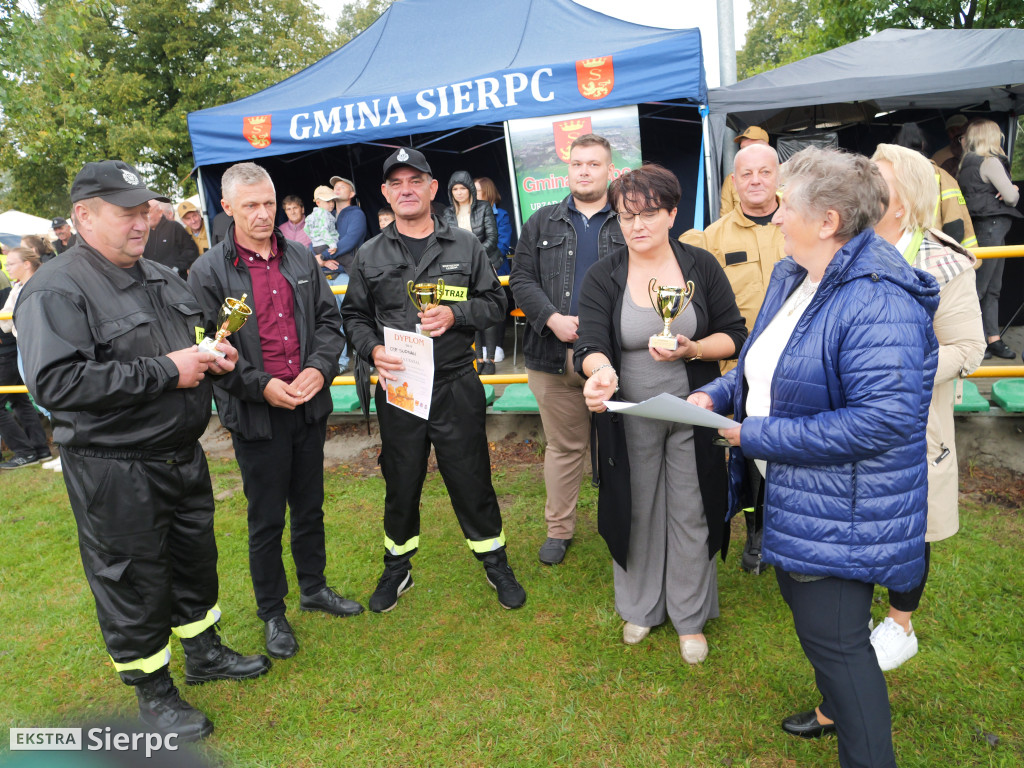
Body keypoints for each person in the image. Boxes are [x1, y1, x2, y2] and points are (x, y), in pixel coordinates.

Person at [691, 147, 939, 767]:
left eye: (786, 206)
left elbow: (882, 420)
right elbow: (768, 362)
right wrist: (719, 392)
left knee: (839, 645)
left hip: (845, 509)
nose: (774, 216)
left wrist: (757, 436)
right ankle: (834, 709)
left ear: (828, 221)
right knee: (820, 632)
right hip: (802, 495)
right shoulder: (797, 274)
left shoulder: (877, 299)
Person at [16, 160, 271, 742]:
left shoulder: (160, 275)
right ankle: (154, 695)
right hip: (114, 467)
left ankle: (204, 652)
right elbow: (56, 384)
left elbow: (191, 342)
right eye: (125, 213)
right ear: (83, 217)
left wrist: (213, 357)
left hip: (180, 452)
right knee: (131, 579)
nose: (141, 222)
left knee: (193, 561)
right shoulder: (56, 288)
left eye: (144, 211)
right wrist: (167, 371)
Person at [188, 162, 363, 661]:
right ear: (227, 207)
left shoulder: (301, 256)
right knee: (266, 519)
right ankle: (272, 612)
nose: (263, 214)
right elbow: (208, 349)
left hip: (308, 405)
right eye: (251, 206)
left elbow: (328, 323)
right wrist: (260, 386)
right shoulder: (207, 272)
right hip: (256, 414)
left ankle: (314, 587)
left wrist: (319, 369)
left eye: (268, 203)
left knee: (310, 506)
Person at [342, 146, 525, 612]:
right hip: (400, 386)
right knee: (401, 480)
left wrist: (455, 314)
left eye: (415, 181)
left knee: (471, 476)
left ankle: (495, 562)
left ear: (432, 188)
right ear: (386, 193)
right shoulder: (369, 253)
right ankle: (397, 568)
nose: (406, 190)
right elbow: (355, 316)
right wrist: (373, 350)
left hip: (454, 381)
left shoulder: (464, 245)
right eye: (396, 183)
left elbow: (496, 303)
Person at [575, 164, 746, 663]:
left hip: (694, 412)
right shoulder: (603, 275)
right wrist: (600, 371)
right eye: (627, 215)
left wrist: (693, 349)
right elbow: (589, 342)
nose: (637, 225)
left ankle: (690, 616)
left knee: (692, 510)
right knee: (638, 508)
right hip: (630, 417)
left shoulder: (701, 266)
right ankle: (641, 607)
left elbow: (735, 334)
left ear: (672, 214)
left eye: (649, 213)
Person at [869, 144, 986, 670]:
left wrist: (901, 372)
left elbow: (969, 347)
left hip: (915, 423)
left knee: (911, 524)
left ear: (904, 201)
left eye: (878, 181)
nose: (865, 186)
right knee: (858, 514)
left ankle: (900, 624)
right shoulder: (843, 244)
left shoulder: (943, 261)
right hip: (852, 417)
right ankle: (854, 615)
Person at [510, 133, 624, 566]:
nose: (584, 171)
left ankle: (627, 524)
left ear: (609, 170)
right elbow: (521, 278)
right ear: (568, 169)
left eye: (594, 164)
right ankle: (559, 530)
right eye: (577, 164)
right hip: (552, 357)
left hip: (614, 355)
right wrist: (551, 318)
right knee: (564, 448)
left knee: (624, 448)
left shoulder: (629, 219)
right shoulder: (541, 222)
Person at [680, 142, 786, 574]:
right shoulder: (710, 239)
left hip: (802, 363)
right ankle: (756, 532)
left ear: (779, 177)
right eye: (747, 174)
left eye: (765, 172)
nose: (756, 181)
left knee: (797, 450)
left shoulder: (802, 225)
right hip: (743, 370)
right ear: (734, 182)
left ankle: (791, 531)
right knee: (749, 454)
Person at [957, 118, 1022, 360]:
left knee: (988, 288)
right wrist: (1013, 190)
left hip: (984, 227)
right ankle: (977, 341)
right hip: (992, 228)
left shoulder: (966, 164)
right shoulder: (990, 162)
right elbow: (1011, 199)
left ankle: (992, 338)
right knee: (983, 289)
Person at [442, 170, 500, 373]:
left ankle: (490, 360)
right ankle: (477, 359)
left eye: (463, 188)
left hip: (485, 263)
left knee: (487, 308)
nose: (459, 192)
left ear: (470, 190)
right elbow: (447, 242)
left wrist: (474, 257)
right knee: (468, 311)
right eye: (455, 189)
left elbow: (492, 238)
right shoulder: (447, 213)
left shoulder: (484, 207)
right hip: (461, 269)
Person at [0, 247, 52, 470]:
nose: (7, 267)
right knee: (21, 400)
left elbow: (7, 320)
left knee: (38, 399)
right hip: (18, 347)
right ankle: (40, 450)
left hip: (16, 348)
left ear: (27, 264)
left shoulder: (36, 284)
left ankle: (25, 451)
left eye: (11, 263)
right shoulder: (17, 286)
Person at [893, 122, 978, 248]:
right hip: (932, 249)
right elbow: (954, 225)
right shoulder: (941, 176)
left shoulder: (887, 176)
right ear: (923, 145)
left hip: (896, 249)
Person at [329, 175, 367, 373]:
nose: (337, 188)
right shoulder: (325, 215)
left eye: (342, 186)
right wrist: (320, 260)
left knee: (356, 319)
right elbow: (313, 239)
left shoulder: (356, 214)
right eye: (334, 186)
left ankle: (366, 361)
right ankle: (341, 362)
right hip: (327, 275)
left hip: (347, 274)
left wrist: (323, 256)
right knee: (332, 322)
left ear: (352, 193)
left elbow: (349, 241)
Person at [474, 176, 514, 364]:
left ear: (487, 193)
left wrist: (484, 263)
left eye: (476, 191)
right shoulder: (468, 215)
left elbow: (503, 245)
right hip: (474, 272)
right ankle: (480, 349)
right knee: (477, 308)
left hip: (496, 269)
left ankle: (496, 347)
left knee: (496, 308)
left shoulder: (502, 215)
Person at [719, 126, 770, 218]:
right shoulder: (732, 179)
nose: (746, 153)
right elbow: (725, 217)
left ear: (767, 148)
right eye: (743, 149)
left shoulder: (782, 174)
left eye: (751, 149)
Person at [142, 199, 199, 276]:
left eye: (148, 213)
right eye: (143, 213)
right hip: (154, 280)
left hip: (177, 278)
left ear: (160, 213)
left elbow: (191, 250)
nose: (145, 217)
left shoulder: (174, 227)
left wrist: (177, 268)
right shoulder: (144, 233)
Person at [304, 185, 339, 258]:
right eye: (328, 201)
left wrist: (314, 239)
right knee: (348, 260)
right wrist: (332, 244)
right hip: (326, 245)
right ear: (318, 203)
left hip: (316, 246)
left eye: (333, 201)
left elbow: (306, 229)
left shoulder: (312, 215)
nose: (332, 204)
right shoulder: (324, 214)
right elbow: (323, 230)